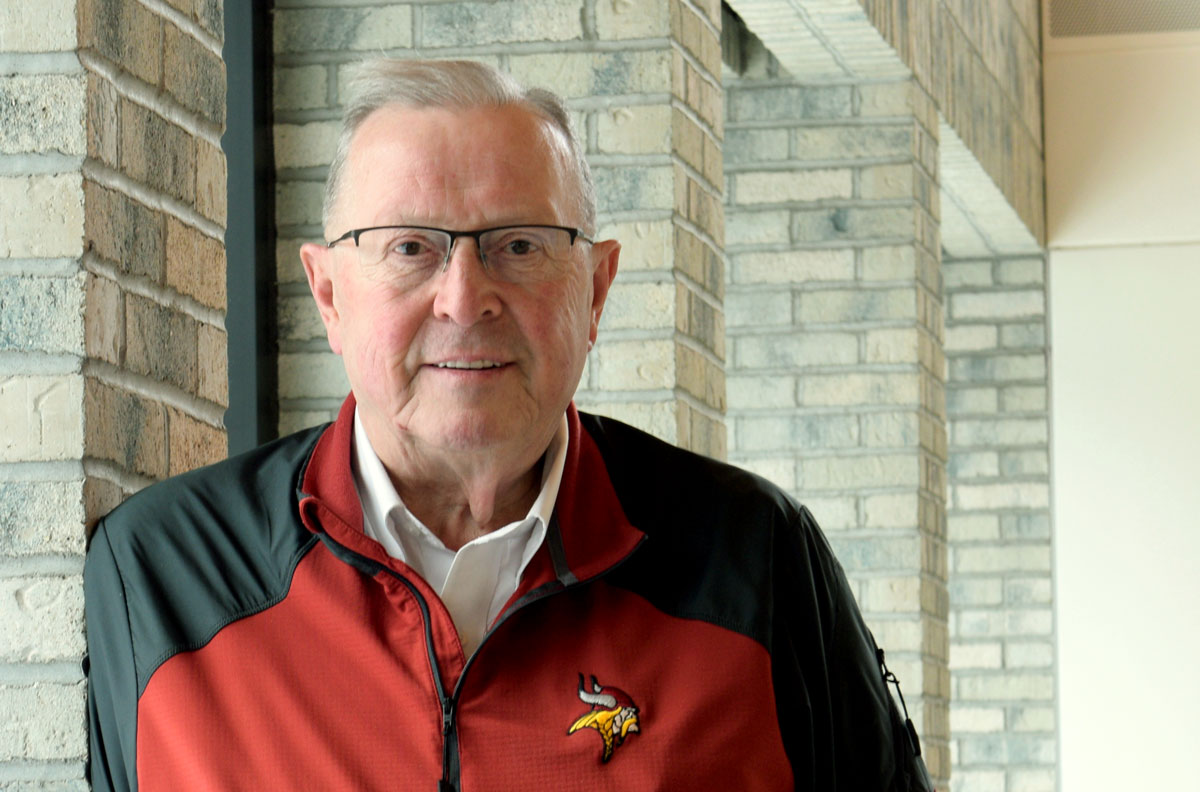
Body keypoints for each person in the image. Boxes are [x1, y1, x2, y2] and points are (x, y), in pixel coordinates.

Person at [84, 58, 933, 791]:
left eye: (519, 246)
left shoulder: (755, 561)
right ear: (329, 294)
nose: (464, 298)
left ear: (595, 290)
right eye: (410, 247)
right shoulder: (161, 575)